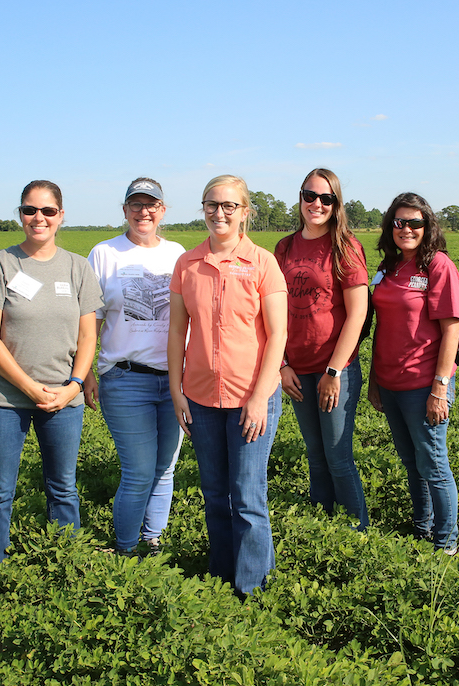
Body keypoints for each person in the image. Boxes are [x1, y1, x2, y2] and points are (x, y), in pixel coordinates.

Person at [0, 180, 103, 588]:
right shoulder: (1, 263)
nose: (39, 218)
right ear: (21, 215)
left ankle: (67, 576)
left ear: (61, 215)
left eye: (48, 211)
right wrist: (30, 388)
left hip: (65, 398)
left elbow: (88, 338)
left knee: (62, 487)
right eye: (30, 210)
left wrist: (74, 386)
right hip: (3, 399)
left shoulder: (77, 267)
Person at [168, 175, 287, 596]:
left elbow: (278, 335)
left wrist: (259, 398)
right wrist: (177, 389)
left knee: (247, 495)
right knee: (215, 493)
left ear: (245, 212)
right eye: (212, 205)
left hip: (250, 397)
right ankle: (221, 579)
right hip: (200, 397)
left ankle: (252, 588)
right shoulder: (188, 264)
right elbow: (177, 331)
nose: (220, 213)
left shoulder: (262, 262)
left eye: (229, 206)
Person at [85, 178, 185, 558]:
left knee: (164, 469)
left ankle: (153, 540)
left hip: (173, 381)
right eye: (135, 204)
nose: (144, 211)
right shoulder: (105, 253)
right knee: (139, 471)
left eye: (152, 204)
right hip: (126, 379)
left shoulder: (177, 254)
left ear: (162, 210)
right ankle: (126, 549)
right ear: (124, 210)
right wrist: (87, 372)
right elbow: (90, 319)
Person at [274, 168, 369, 530]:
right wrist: (282, 365)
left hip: (335, 369)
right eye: (309, 195)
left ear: (336, 204)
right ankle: (323, 528)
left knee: (337, 455)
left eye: (326, 198)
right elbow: (273, 310)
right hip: (297, 369)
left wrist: (334, 371)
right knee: (315, 455)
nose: (317, 204)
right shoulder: (284, 247)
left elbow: (357, 313)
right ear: (299, 198)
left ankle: (355, 531)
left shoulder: (345, 246)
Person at [368, 193, 459, 553]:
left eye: (415, 223)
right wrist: (376, 381)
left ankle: (446, 543)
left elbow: (451, 328)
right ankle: (422, 529)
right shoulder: (388, 267)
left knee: (434, 465)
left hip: (424, 384)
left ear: (427, 226)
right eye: (399, 222)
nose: (406, 229)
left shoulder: (437, 266)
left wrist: (440, 387)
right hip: (391, 384)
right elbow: (382, 327)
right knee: (412, 463)